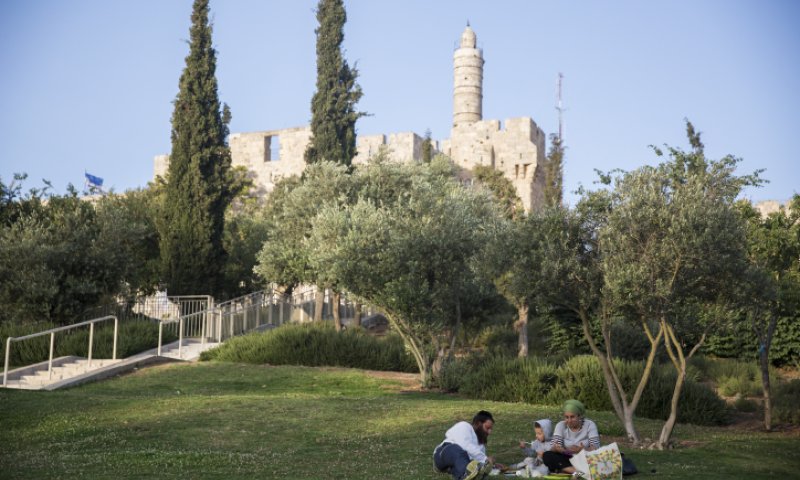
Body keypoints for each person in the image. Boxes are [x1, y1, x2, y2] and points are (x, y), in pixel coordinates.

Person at [433, 410, 505, 480]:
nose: (489, 432)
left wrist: (492, 466)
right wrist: (486, 459)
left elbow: (479, 463)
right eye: (487, 428)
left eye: (491, 429)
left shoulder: (481, 446)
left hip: (456, 466)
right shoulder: (464, 426)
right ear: (478, 423)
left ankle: (465, 476)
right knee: (456, 450)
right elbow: (465, 445)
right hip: (443, 454)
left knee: (472, 466)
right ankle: (466, 474)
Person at [542, 399, 600, 475]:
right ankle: (577, 472)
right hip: (567, 457)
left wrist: (582, 450)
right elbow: (553, 447)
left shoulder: (590, 425)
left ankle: (563, 470)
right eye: (566, 417)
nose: (569, 420)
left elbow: (596, 448)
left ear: (579, 416)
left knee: (599, 459)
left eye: (572, 417)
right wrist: (558, 449)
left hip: (584, 458)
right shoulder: (561, 425)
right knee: (547, 455)